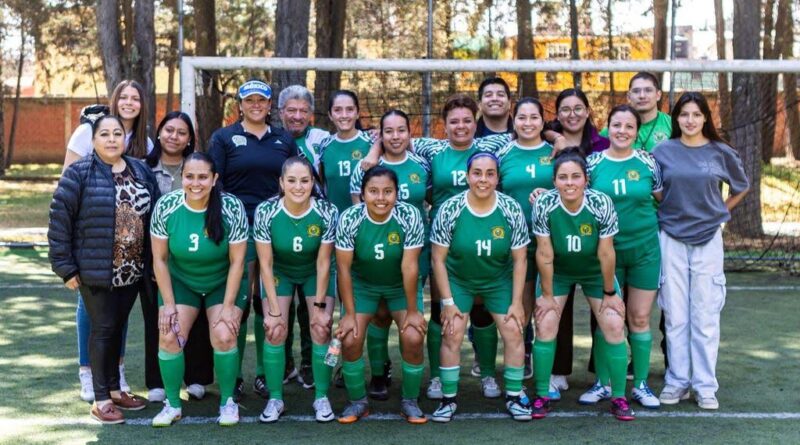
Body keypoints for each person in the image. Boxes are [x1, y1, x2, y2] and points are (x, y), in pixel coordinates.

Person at [49, 115, 160, 423]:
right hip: (95, 270)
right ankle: (100, 400)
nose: (112, 139)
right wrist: (65, 267)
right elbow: (59, 221)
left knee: (117, 327)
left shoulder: (140, 170)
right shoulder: (78, 174)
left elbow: (156, 214)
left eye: (117, 133)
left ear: (125, 138)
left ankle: (113, 389)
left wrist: (152, 263)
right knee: (104, 330)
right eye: (105, 134)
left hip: (133, 271)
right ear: (94, 140)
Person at [654, 92, 749, 410]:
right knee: (675, 314)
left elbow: (741, 186)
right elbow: (655, 188)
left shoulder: (720, 152)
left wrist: (720, 211)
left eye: (696, 114)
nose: (690, 120)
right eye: (684, 114)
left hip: (708, 239)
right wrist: (667, 208)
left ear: (706, 117)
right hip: (671, 236)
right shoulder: (662, 151)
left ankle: (705, 385)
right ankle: (677, 381)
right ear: (676, 118)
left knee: (705, 314)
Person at [208, 78, 299, 401]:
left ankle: (264, 373)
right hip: (239, 228)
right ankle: (232, 379)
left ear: (270, 105)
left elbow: (298, 177)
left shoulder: (283, 139)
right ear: (240, 105)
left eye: (262, 100)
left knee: (267, 302)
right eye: (250, 100)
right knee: (241, 303)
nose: (256, 105)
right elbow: (213, 183)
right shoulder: (224, 137)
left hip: (276, 227)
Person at [531, 147, 634, 421]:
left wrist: (610, 293)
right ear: (554, 181)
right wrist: (548, 295)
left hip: (594, 272)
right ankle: (542, 394)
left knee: (613, 324)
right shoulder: (544, 204)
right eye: (563, 177)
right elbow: (544, 252)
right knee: (545, 322)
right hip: (559, 271)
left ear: (586, 179)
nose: (569, 183)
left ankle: (619, 398)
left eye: (576, 177)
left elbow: (606, 252)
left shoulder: (601, 203)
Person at [149, 152, 249, 427]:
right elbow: (159, 259)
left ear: (214, 179)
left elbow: (238, 261)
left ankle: (228, 402)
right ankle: (172, 404)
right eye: (189, 176)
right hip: (182, 281)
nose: (196, 183)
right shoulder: (166, 206)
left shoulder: (231, 208)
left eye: (203, 177)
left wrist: (229, 307)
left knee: (224, 333)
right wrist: (168, 304)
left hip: (222, 281)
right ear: (182, 178)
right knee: (169, 335)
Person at [429, 152, 529, 422]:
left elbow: (520, 259)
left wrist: (517, 301)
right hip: (459, 279)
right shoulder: (450, 209)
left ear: (498, 177)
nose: (483, 179)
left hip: (498, 279)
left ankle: (514, 395)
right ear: (467, 176)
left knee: (513, 329)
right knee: (451, 331)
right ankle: (448, 400)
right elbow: (437, 259)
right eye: (477, 173)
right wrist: (448, 302)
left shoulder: (510, 208)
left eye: (489, 173)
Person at [582, 105, 663, 409]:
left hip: (644, 250)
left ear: (637, 131)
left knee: (639, 318)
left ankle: (640, 385)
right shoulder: (592, 164)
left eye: (629, 127)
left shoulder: (648, 163)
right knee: (610, 319)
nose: (622, 132)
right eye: (617, 125)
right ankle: (603, 384)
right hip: (605, 254)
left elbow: (661, 199)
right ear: (607, 127)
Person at [334, 166, 427, 424]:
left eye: (388, 191)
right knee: (350, 338)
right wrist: (349, 314)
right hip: (363, 285)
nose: (381, 197)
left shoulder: (409, 215)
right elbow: (343, 268)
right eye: (373, 191)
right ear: (363, 194)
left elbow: (410, 267)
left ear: (397, 193)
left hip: (400, 286)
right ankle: (358, 402)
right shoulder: (350, 217)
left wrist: (412, 311)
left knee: (412, 334)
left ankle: (409, 401)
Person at [349, 109, 431, 400]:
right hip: (372, 257)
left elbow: (431, 198)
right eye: (388, 131)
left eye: (401, 130)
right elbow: (359, 213)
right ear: (379, 135)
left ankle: (413, 382)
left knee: (404, 313)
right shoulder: (366, 167)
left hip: (412, 253)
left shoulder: (423, 163)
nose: (395, 136)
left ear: (410, 133)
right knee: (378, 315)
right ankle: (379, 374)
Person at [252, 157, 339, 423]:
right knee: (275, 329)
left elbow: (324, 262)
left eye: (304, 180)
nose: (298, 186)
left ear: (313, 182)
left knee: (321, 327)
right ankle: (276, 398)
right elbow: (265, 263)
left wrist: (321, 307)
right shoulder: (266, 211)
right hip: (280, 271)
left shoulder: (327, 211)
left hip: (315, 270)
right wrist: (274, 311)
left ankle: (322, 397)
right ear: (281, 183)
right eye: (291, 180)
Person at [540, 87, 610, 397]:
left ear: (588, 111)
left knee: (604, 309)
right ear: (557, 114)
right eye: (565, 109)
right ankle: (558, 372)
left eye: (578, 108)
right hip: (555, 235)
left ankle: (602, 374)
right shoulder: (546, 140)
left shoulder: (602, 144)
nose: (572, 114)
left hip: (595, 236)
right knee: (558, 309)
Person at [144, 111, 214, 402]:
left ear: (189, 139)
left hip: (193, 253)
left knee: (197, 317)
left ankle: (197, 377)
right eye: (169, 130)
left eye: (181, 132)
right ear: (159, 133)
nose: (174, 136)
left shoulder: (198, 167)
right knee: (158, 316)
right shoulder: (143, 168)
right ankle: (157, 380)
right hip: (157, 252)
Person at [496, 98, 554, 380]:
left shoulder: (555, 151)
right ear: (512, 119)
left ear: (543, 121)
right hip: (513, 243)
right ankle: (523, 351)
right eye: (522, 117)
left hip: (551, 242)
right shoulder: (503, 153)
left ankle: (549, 364)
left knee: (548, 300)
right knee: (521, 298)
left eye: (534, 117)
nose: (528, 123)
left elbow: (574, 186)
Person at [276, 85, 329, 390]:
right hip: (279, 229)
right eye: (291, 110)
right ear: (280, 112)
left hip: (315, 230)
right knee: (275, 304)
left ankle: (310, 364)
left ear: (311, 113)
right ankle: (283, 363)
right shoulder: (270, 139)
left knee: (312, 303)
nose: (297, 116)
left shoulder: (322, 140)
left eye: (303, 111)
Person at [318, 90, 373, 213]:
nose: (344, 115)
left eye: (349, 109)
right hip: (335, 220)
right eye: (337, 110)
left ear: (357, 113)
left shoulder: (371, 142)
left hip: (365, 219)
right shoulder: (324, 146)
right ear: (330, 115)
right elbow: (322, 184)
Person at [601, 72, 672, 152]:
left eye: (648, 90)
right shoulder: (614, 130)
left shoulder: (672, 125)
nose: (642, 96)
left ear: (658, 95)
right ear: (628, 97)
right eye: (636, 91)